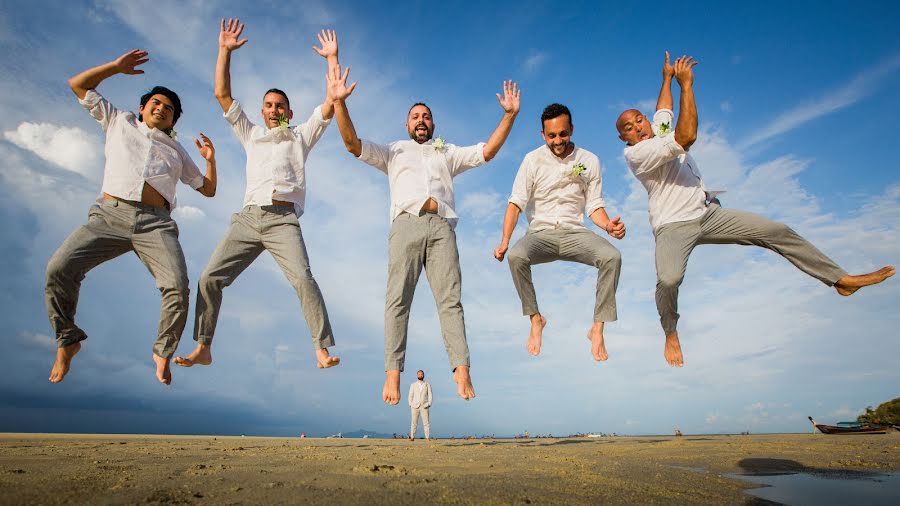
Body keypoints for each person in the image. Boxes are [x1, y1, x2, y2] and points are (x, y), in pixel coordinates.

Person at [616, 52, 895, 367]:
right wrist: (686, 85)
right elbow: (688, 135)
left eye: (639, 119)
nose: (638, 127)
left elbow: (663, 110)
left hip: (708, 214)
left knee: (777, 231)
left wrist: (666, 78)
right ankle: (670, 331)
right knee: (668, 281)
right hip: (672, 226)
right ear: (623, 138)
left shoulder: (658, 129)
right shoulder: (638, 154)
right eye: (629, 127)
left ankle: (839, 281)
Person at [326, 63, 521, 404]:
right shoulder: (393, 150)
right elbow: (351, 143)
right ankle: (392, 374)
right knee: (398, 300)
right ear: (407, 124)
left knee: (450, 301)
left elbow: (486, 152)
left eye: (426, 116)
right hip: (406, 225)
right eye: (415, 116)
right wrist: (340, 103)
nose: (420, 119)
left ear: (433, 124)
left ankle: (461, 369)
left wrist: (509, 116)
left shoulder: (446, 152)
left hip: (442, 227)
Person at [175, 19, 341, 370]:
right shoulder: (251, 134)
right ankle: (204, 346)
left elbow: (331, 101)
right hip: (248, 218)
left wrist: (331, 58)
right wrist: (224, 51)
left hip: (283, 221)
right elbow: (222, 95)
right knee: (209, 278)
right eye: (268, 105)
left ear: (289, 112)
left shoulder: (301, 136)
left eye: (280, 105)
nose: (274, 109)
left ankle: (321, 348)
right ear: (263, 111)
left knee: (303, 279)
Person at [46, 49, 218, 385]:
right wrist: (114, 67)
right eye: (156, 103)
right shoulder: (119, 120)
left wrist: (210, 159)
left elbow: (207, 190)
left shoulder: (178, 151)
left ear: (173, 121)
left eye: (169, 109)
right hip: (109, 215)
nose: (162, 109)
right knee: (59, 269)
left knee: (177, 287)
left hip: (156, 224)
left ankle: (162, 351)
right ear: (142, 108)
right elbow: (77, 85)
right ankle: (68, 339)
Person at [494, 103, 625, 361]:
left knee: (612, 257)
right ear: (543, 134)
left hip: (576, 233)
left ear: (572, 129)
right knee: (516, 257)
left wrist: (608, 225)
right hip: (540, 235)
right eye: (552, 135)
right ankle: (536, 319)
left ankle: (597, 328)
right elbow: (515, 203)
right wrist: (505, 241)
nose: (558, 140)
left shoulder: (589, 160)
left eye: (563, 134)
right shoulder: (532, 160)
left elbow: (594, 206)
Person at [408, 370, 433, 441]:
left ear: (423, 375)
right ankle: (412, 437)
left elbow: (430, 395)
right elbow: (410, 396)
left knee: (426, 423)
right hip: (415, 406)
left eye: (422, 374)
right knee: (414, 422)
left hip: (425, 406)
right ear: (417, 375)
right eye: (419, 374)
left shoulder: (427, 384)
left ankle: (427, 437)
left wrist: (429, 403)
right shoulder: (413, 385)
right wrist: (410, 404)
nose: (420, 375)